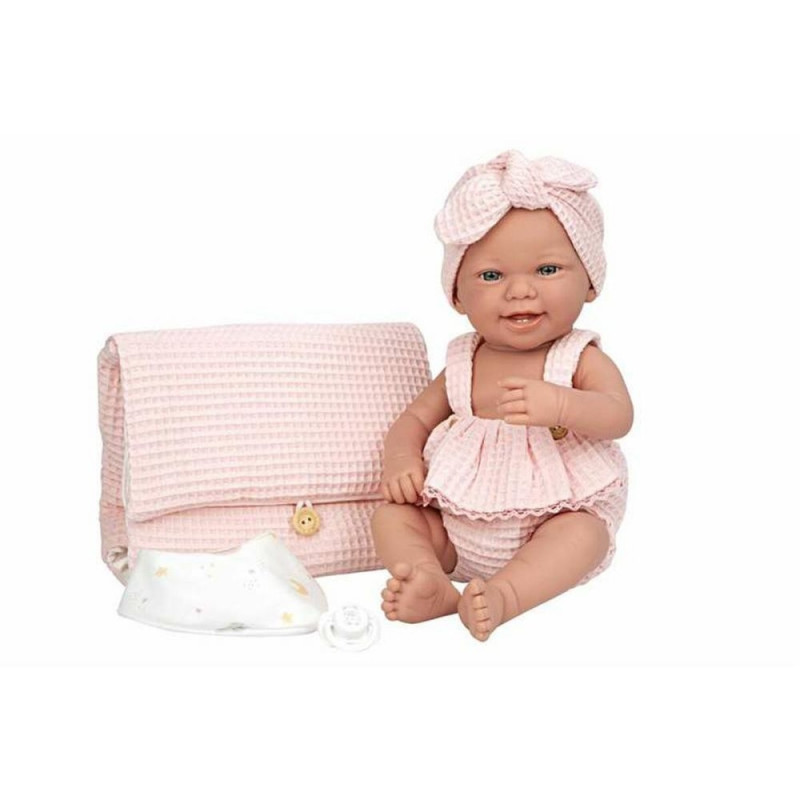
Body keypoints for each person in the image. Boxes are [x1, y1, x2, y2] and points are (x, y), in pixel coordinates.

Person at [370, 150, 632, 641]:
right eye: (492, 276)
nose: (520, 291)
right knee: (392, 516)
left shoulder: (578, 357)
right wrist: (401, 459)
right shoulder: (463, 361)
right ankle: (429, 579)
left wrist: (562, 404)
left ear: (591, 282)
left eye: (547, 270)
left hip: (550, 521)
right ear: (457, 295)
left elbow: (618, 415)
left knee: (585, 534)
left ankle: (506, 596)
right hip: (454, 526)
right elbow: (415, 420)